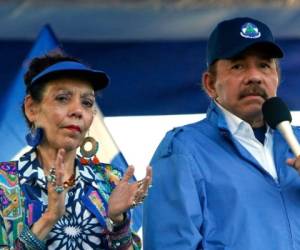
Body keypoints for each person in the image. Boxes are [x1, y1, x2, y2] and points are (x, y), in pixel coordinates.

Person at [143, 17, 300, 250]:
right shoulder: (183, 149)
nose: (254, 76)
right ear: (210, 84)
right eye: (238, 65)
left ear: (276, 78)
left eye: (264, 65)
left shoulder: (297, 142)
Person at [0, 53, 152, 250]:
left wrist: (119, 222)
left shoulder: (109, 180)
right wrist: (49, 218)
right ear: (32, 108)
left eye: (87, 103)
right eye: (63, 98)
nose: (77, 110)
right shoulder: (4, 183)